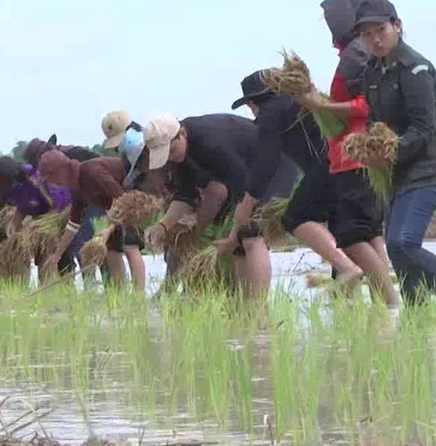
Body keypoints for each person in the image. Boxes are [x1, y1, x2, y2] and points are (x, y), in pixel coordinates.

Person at [340, 0, 436, 307]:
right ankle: (417, 314)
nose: (375, 39)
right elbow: (373, 120)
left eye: (380, 30)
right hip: (395, 173)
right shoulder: (373, 71)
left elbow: (424, 128)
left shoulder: (416, 69)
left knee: (402, 242)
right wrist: (368, 146)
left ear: (397, 26)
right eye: (367, 34)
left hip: (428, 170)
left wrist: (389, 153)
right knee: (397, 249)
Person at [293, 0, 399, 305]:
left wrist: (321, 106)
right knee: (368, 232)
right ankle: (389, 310)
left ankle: (390, 302)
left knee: (352, 236)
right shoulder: (364, 51)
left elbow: (371, 104)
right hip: (363, 159)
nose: (330, 36)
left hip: (355, 158)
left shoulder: (357, 53)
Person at [223, 70, 366, 291]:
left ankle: (346, 267)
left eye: (250, 106)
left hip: (326, 168)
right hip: (349, 166)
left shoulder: (271, 113)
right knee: (343, 232)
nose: (253, 113)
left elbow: (265, 164)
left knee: (294, 217)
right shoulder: (297, 102)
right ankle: (375, 304)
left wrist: (246, 205)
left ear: (254, 101)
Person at [137, 113, 275, 299]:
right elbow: (186, 194)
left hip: (270, 168)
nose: (171, 157)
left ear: (182, 133)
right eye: (165, 154)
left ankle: (257, 312)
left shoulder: (210, 144)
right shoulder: (182, 156)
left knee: (250, 236)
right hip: (242, 183)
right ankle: (239, 307)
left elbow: (237, 189)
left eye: (172, 150)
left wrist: (232, 235)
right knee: (235, 245)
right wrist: (163, 225)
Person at [37, 138, 147, 291]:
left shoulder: (91, 172)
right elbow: (73, 223)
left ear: (61, 170)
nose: (51, 183)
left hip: (135, 199)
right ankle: (118, 296)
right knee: (111, 250)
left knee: (130, 246)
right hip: (115, 211)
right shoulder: (76, 187)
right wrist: (57, 255)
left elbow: (122, 198)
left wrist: (108, 229)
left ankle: (138, 297)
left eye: (50, 177)